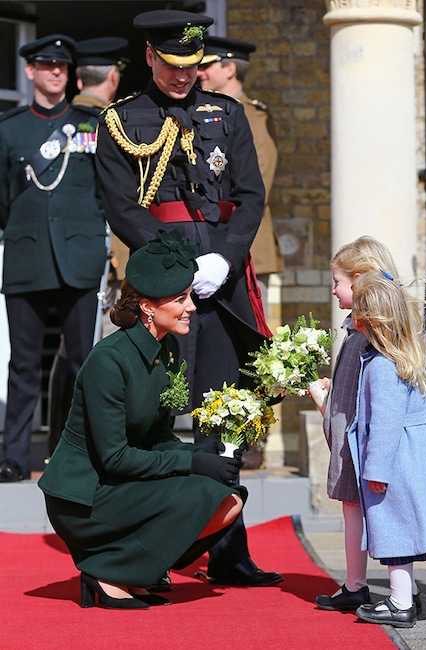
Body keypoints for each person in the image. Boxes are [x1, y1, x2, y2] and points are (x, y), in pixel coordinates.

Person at [95, 9, 282, 588]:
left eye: (193, 65)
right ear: (150, 55)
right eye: (172, 65)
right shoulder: (123, 119)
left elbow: (250, 195)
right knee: (151, 418)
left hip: (223, 281)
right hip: (162, 283)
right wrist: (180, 263)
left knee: (224, 412)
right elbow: (122, 205)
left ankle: (227, 546)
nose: (183, 76)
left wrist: (224, 256)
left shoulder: (226, 114)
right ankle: (146, 548)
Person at [38, 228, 245, 610]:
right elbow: (115, 458)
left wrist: (210, 461)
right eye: (181, 299)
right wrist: (192, 461)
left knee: (227, 498)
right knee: (205, 492)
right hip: (85, 498)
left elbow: (156, 435)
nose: (192, 307)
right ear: (148, 307)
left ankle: (129, 569)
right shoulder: (108, 360)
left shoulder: (166, 347)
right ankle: (107, 570)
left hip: (122, 481)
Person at [0, 35, 108, 482]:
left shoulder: (92, 125)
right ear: (30, 71)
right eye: (46, 65)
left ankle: (82, 454)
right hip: (26, 256)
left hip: (79, 257)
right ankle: (14, 455)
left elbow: (107, 192)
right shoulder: (9, 128)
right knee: (24, 363)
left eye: (62, 65)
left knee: (84, 361)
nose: (55, 71)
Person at [348, 270, 426, 628]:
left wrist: (376, 471)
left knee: (394, 531)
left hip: (396, 464)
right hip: (412, 458)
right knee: (400, 529)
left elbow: (384, 426)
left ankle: (400, 603)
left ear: (367, 321)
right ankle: (407, 593)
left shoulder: (383, 367)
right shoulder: (404, 357)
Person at [310, 236, 419, 614]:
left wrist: (324, 401)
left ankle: (358, 585)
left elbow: (357, 404)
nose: (335, 290)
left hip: (362, 444)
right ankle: (402, 590)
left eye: (338, 282)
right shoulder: (362, 331)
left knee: (363, 512)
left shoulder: (363, 339)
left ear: (358, 281)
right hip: (363, 441)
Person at [47, 36, 130, 455]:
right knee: (105, 352)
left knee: (71, 349)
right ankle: (95, 444)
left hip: (73, 253)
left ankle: (59, 440)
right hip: (108, 255)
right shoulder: (113, 122)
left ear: (79, 77)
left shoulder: (63, 119)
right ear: (113, 77)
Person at [197, 35, 284, 312]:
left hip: (247, 247)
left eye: (207, 66)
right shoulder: (202, 111)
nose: (199, 72)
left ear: (230, 70)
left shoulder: (253, 117)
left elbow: (258, 188)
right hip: (207, 243)